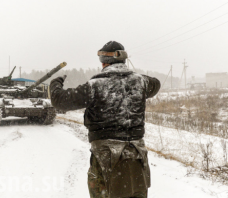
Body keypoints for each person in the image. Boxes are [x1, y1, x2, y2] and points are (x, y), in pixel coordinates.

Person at [50, 41, 160, 198]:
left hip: (106, 157)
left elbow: (58, 100)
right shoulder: (140, 82)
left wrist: (56, 83)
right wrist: (131, 76)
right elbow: (156, 83)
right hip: (137, 155)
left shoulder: (95, 86)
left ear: (104, 62)